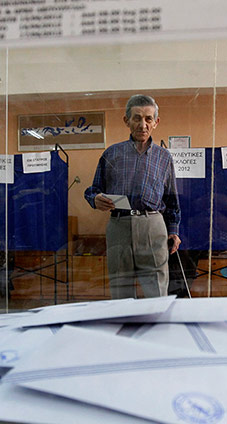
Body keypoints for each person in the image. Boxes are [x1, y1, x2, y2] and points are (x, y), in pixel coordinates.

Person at [84, 94, 181, 299]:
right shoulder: (111, 154)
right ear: (126, 121)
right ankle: (125, 328)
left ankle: (155, 328)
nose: (143, 124)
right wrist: (95, 199)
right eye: (137, 118)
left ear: (156, 122)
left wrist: (173, 230)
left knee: (157, 290)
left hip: (153, 226)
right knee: (120, 289)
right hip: (119, 226)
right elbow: (93, 189)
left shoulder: (164, 158)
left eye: (148, 118)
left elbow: (172, 200)